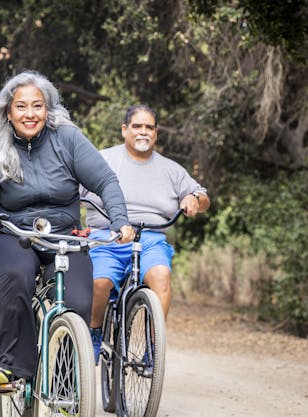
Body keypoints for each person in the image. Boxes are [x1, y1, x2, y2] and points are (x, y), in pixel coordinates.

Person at [0, 70, 135, 392]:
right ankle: (7, 365)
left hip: (63, 237)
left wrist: (119, 220)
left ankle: (64, 382)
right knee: (17, 276)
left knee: (78, 301)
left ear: (48, 109)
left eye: (37, 106)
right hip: (10, 234)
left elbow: (105, 180)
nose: (30, 114)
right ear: (8, 111)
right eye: (21, 106)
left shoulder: (68, 138)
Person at [80, 104, 210, 363]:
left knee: (161, 276)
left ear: (156, 133)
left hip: (150, 240)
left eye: (149, 127)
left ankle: (153, 346)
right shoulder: (101, 160)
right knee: (100, 283)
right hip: (108, 237)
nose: (143, 132)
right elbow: (69, 191)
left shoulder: (171, 169)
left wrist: (195, 199)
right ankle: (94, 331)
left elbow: (203, 195)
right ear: (124, 130)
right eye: (137, 126)